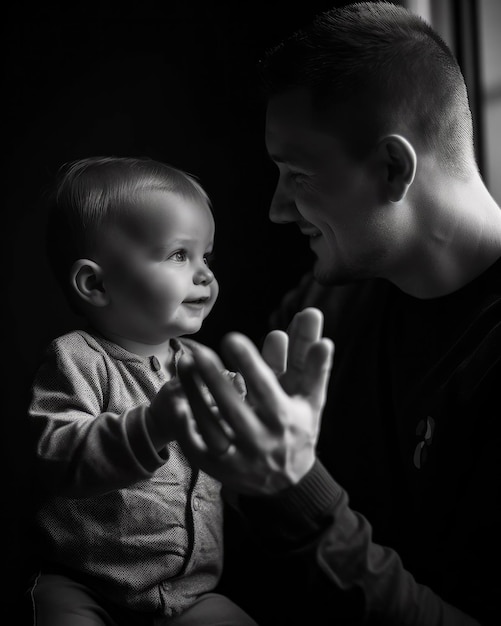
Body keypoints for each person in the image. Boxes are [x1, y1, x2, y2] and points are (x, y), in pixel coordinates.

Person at [159, 3, 501, 625]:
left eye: (299, 175)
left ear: (394, 168)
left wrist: (296, 494)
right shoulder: (322, 309)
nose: (277, 210)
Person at [24, 156, 258, 626]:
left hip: (189, 595)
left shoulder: (199, 366)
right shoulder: (77, 358)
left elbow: (232, 476)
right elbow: (56, 455)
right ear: (95, 283)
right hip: (82, 585)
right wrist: (152, 426)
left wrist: (240, 424)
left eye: (205, 256)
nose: (205, 274)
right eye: (178, 255)